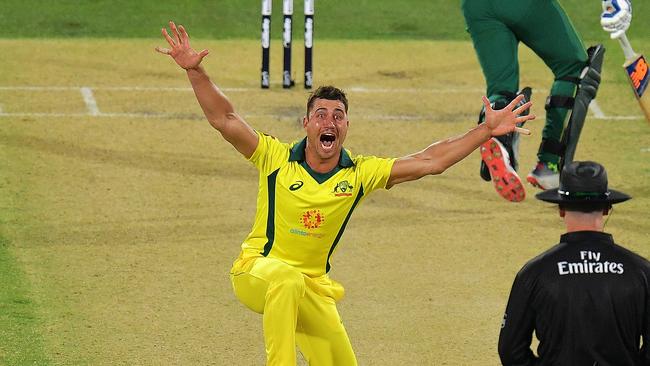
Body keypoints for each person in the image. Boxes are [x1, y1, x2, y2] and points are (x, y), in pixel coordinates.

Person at [155, 21, 535, 365]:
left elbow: (429, 161)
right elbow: (224, 118)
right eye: (320, 114)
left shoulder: (359, 174)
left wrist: (485, 132)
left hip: (312, 289)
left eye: (337, 116)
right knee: (285, 279)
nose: (328, 121)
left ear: (347, 126)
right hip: (256, 273)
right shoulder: (274, 158)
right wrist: (194, 69)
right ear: (305, 123)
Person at [461, 0, 630, 202]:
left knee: (501, 88)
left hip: (476, 7)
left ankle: (500, 141)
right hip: (522, 5)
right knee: (575, 68)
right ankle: (549, 166)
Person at [498, 160, 650, 365]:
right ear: (607, 208)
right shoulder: (641, 272)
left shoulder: (534, 273)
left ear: (561, 208)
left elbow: (511, 350)